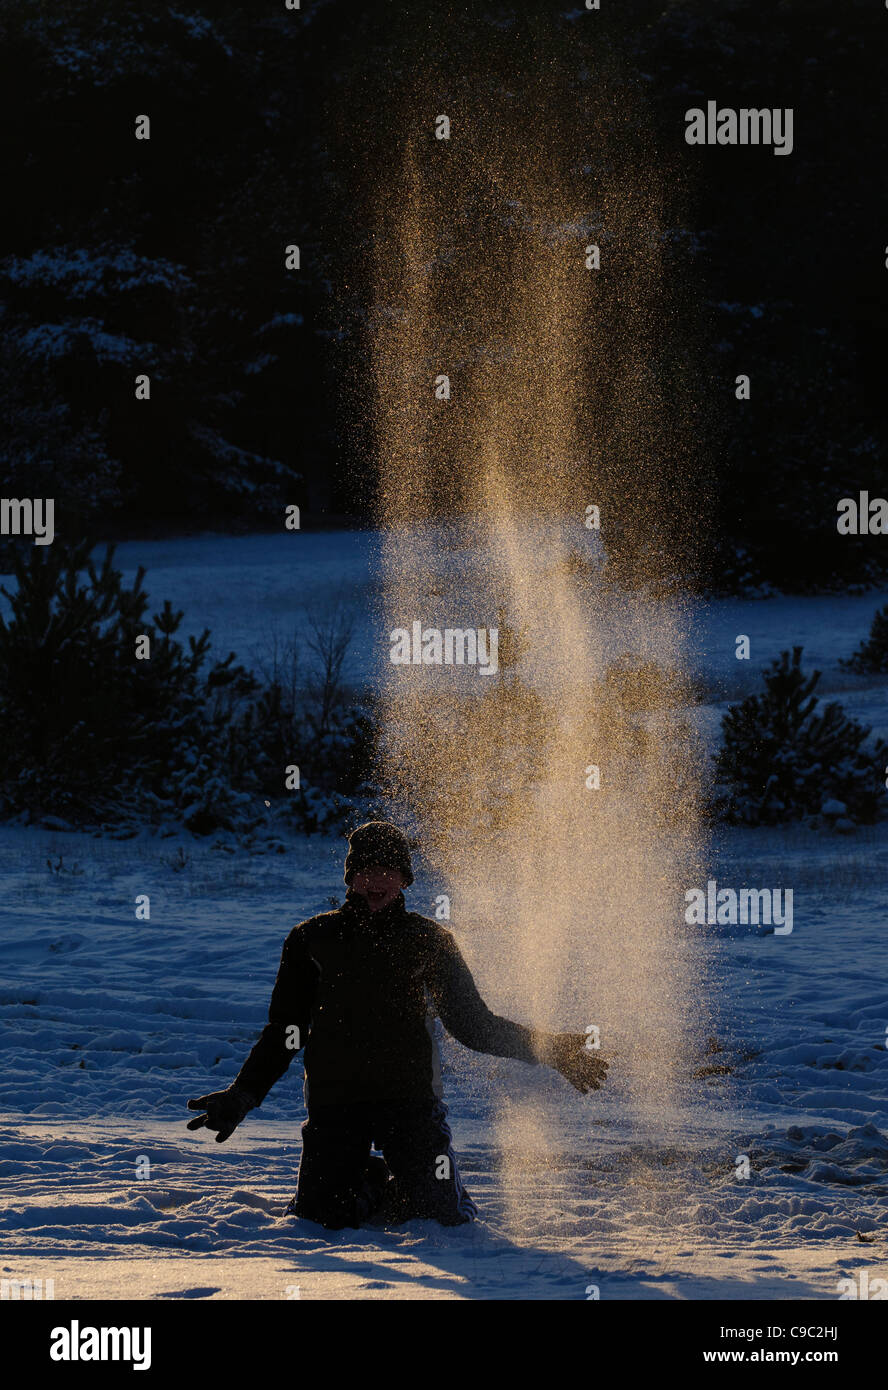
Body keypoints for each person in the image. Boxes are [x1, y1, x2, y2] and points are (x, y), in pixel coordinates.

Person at [187, 820, 607, 1229]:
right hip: (335, 1104)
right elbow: (284, 1032)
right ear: (350, 877)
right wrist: (243, 1095)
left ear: (405, 879)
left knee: (442, 1220)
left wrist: (550, 1049)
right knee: (319, 1221)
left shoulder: (430, 941)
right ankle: (368, 1177)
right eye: (366, 870)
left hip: (411, 1104)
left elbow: (474, 1025)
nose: (376, 880)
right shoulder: (311, 940)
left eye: (388, 870)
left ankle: (406, 1179)